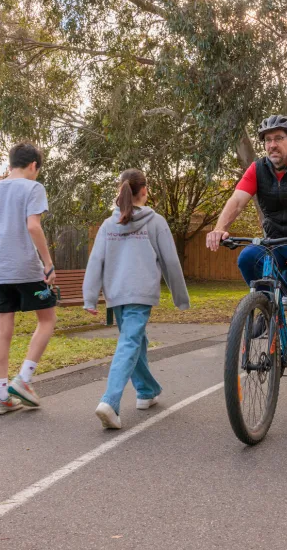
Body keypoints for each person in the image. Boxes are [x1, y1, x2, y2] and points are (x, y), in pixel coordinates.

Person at [206, 115, 287, 400]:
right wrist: (219, 229)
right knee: (246, 258)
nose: (272, 145)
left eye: (278, 139)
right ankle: (264, 305)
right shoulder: (257, 169)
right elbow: (237, 200)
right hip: (273, 241)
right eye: (267, 140)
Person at [83, 168, 190, 430]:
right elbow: (171, 263)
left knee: (135, 340)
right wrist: (181, 298)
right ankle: (110, 401)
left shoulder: (109, 225)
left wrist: (89, 297)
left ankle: (146, 391)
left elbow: (96, 261)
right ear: (144, 190)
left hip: (116, 295)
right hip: (140, 293)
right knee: (130, 342)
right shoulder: (155, 222)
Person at [0, 142, 57, 415]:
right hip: (26, 268)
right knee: (47, 320)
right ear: (34, 165)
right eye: (37, 169)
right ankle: (24, 379)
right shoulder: (33, 188)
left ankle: (0, 397)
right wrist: (48, 263)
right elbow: (33, 226)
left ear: (11, 163)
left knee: (2, 330)